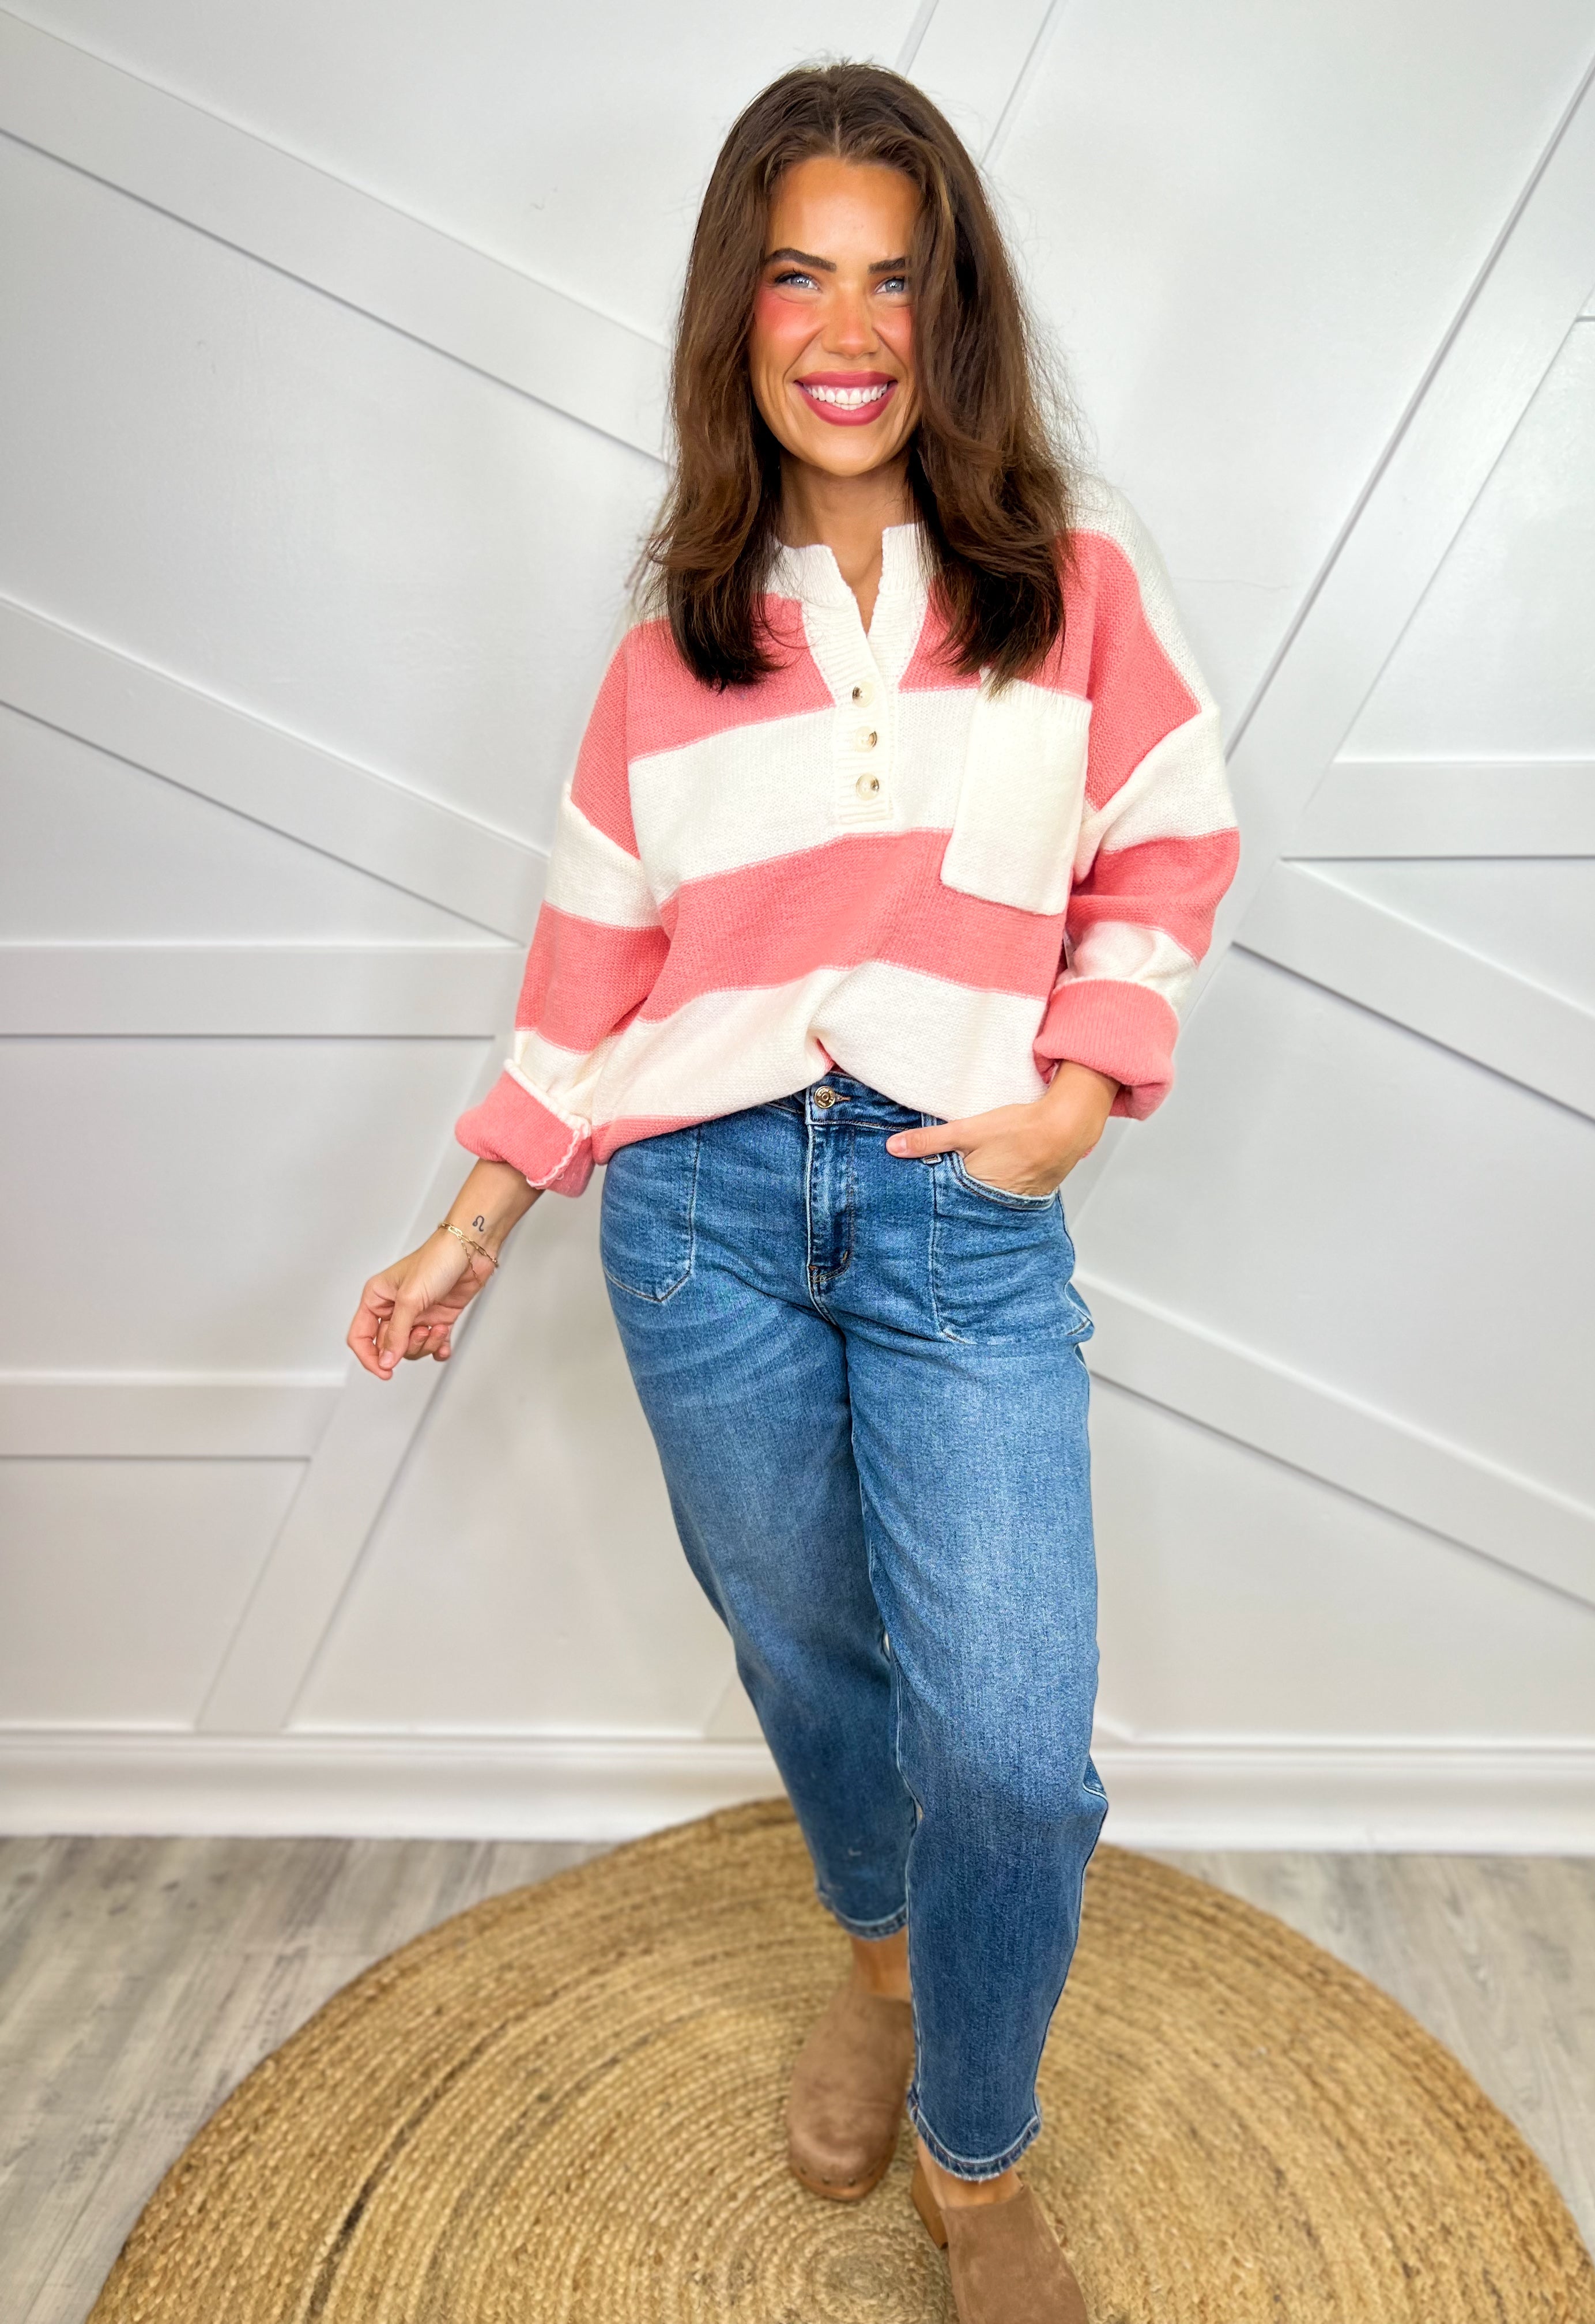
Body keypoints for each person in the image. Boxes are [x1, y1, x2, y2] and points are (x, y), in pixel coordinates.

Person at [348, 60, 1238, 2324]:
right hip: (699, 1224)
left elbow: (1168, 852)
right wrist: (471, 1223)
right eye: (797, 276)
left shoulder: (1071, 589)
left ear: (956, 318)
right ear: (733, 318)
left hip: (961, 1210)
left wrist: (1079, 1095)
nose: (848, 329)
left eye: (896, 281)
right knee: (814, 1659)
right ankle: (881, 1967)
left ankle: (976, 2155)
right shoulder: (670, 655)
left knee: (1012, 1753)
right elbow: (590, 974)